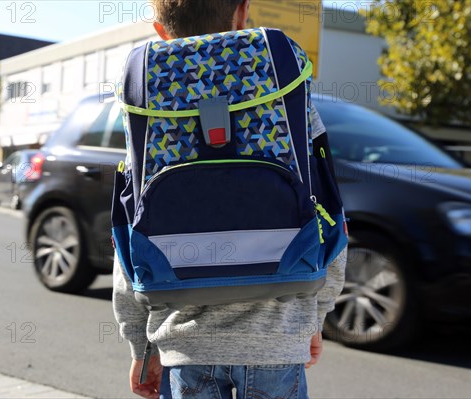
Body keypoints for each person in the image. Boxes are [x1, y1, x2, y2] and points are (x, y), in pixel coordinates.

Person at [113, 1, 347, 398]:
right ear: (242, 13)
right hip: (277, 336)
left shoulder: (148, 95)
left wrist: (142, 345)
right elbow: (329, 211)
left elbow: (127, 228)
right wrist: (314, 316)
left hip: (185, 346)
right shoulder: (278, 73)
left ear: (160, 30)